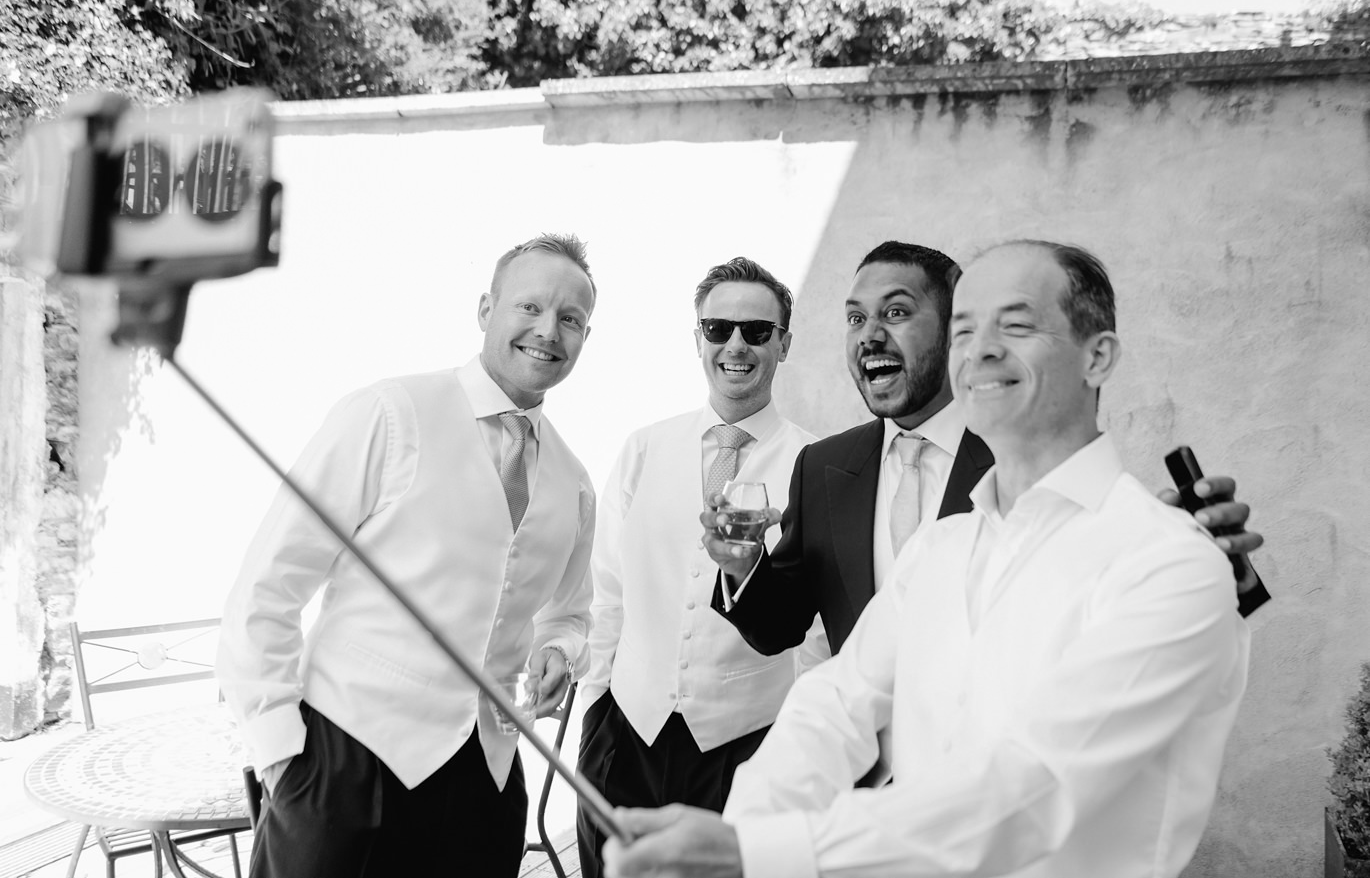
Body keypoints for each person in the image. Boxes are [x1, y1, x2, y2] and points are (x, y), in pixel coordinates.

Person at [605, 240, 1250, 878]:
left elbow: (1036, 789)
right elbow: (833, 708)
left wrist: (759, 853)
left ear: (1097, 356)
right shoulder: (942, 550)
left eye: (1015, 324)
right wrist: (739, 835)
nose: (980, 349)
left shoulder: (1173, 563)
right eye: (965, 329)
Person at [216, 233, 598, 878]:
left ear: (585, 336)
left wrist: (559, 649)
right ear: (486, 309)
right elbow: (269, 583)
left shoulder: (575, 481)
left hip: (485, 782)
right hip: (344, 761)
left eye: (570, 319)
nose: (548, 330)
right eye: (530, 307)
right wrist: (281, 752)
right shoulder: (388, 413)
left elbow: (570, 612)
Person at [708, 241, 1267, 671]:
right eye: (856, 318)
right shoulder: (823, 467)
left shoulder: (1022, 453)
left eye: (896, 313)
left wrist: (1211, 571)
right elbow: (780, 627)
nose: (869, 337)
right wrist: (743, 567)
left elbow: (1119, 614)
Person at [577, 258, 822, 878]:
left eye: (757, 331)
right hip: (626, 731)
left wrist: (799, 749)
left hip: (749, 744)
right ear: (698, 339)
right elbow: (608, 589)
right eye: (718, 329)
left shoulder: (816, 466)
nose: (735, 345)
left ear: (784, 344)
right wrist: (596, 708)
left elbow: (820, 630)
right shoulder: (644, 447)